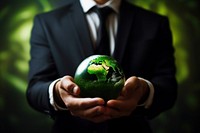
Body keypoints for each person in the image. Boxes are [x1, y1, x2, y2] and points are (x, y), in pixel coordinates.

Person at [26, 0, 178, 132]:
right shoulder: (47, 23)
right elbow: (35, 89)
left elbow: (168, 89)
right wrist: (59, 94)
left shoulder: (155, 23)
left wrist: (144, 92)